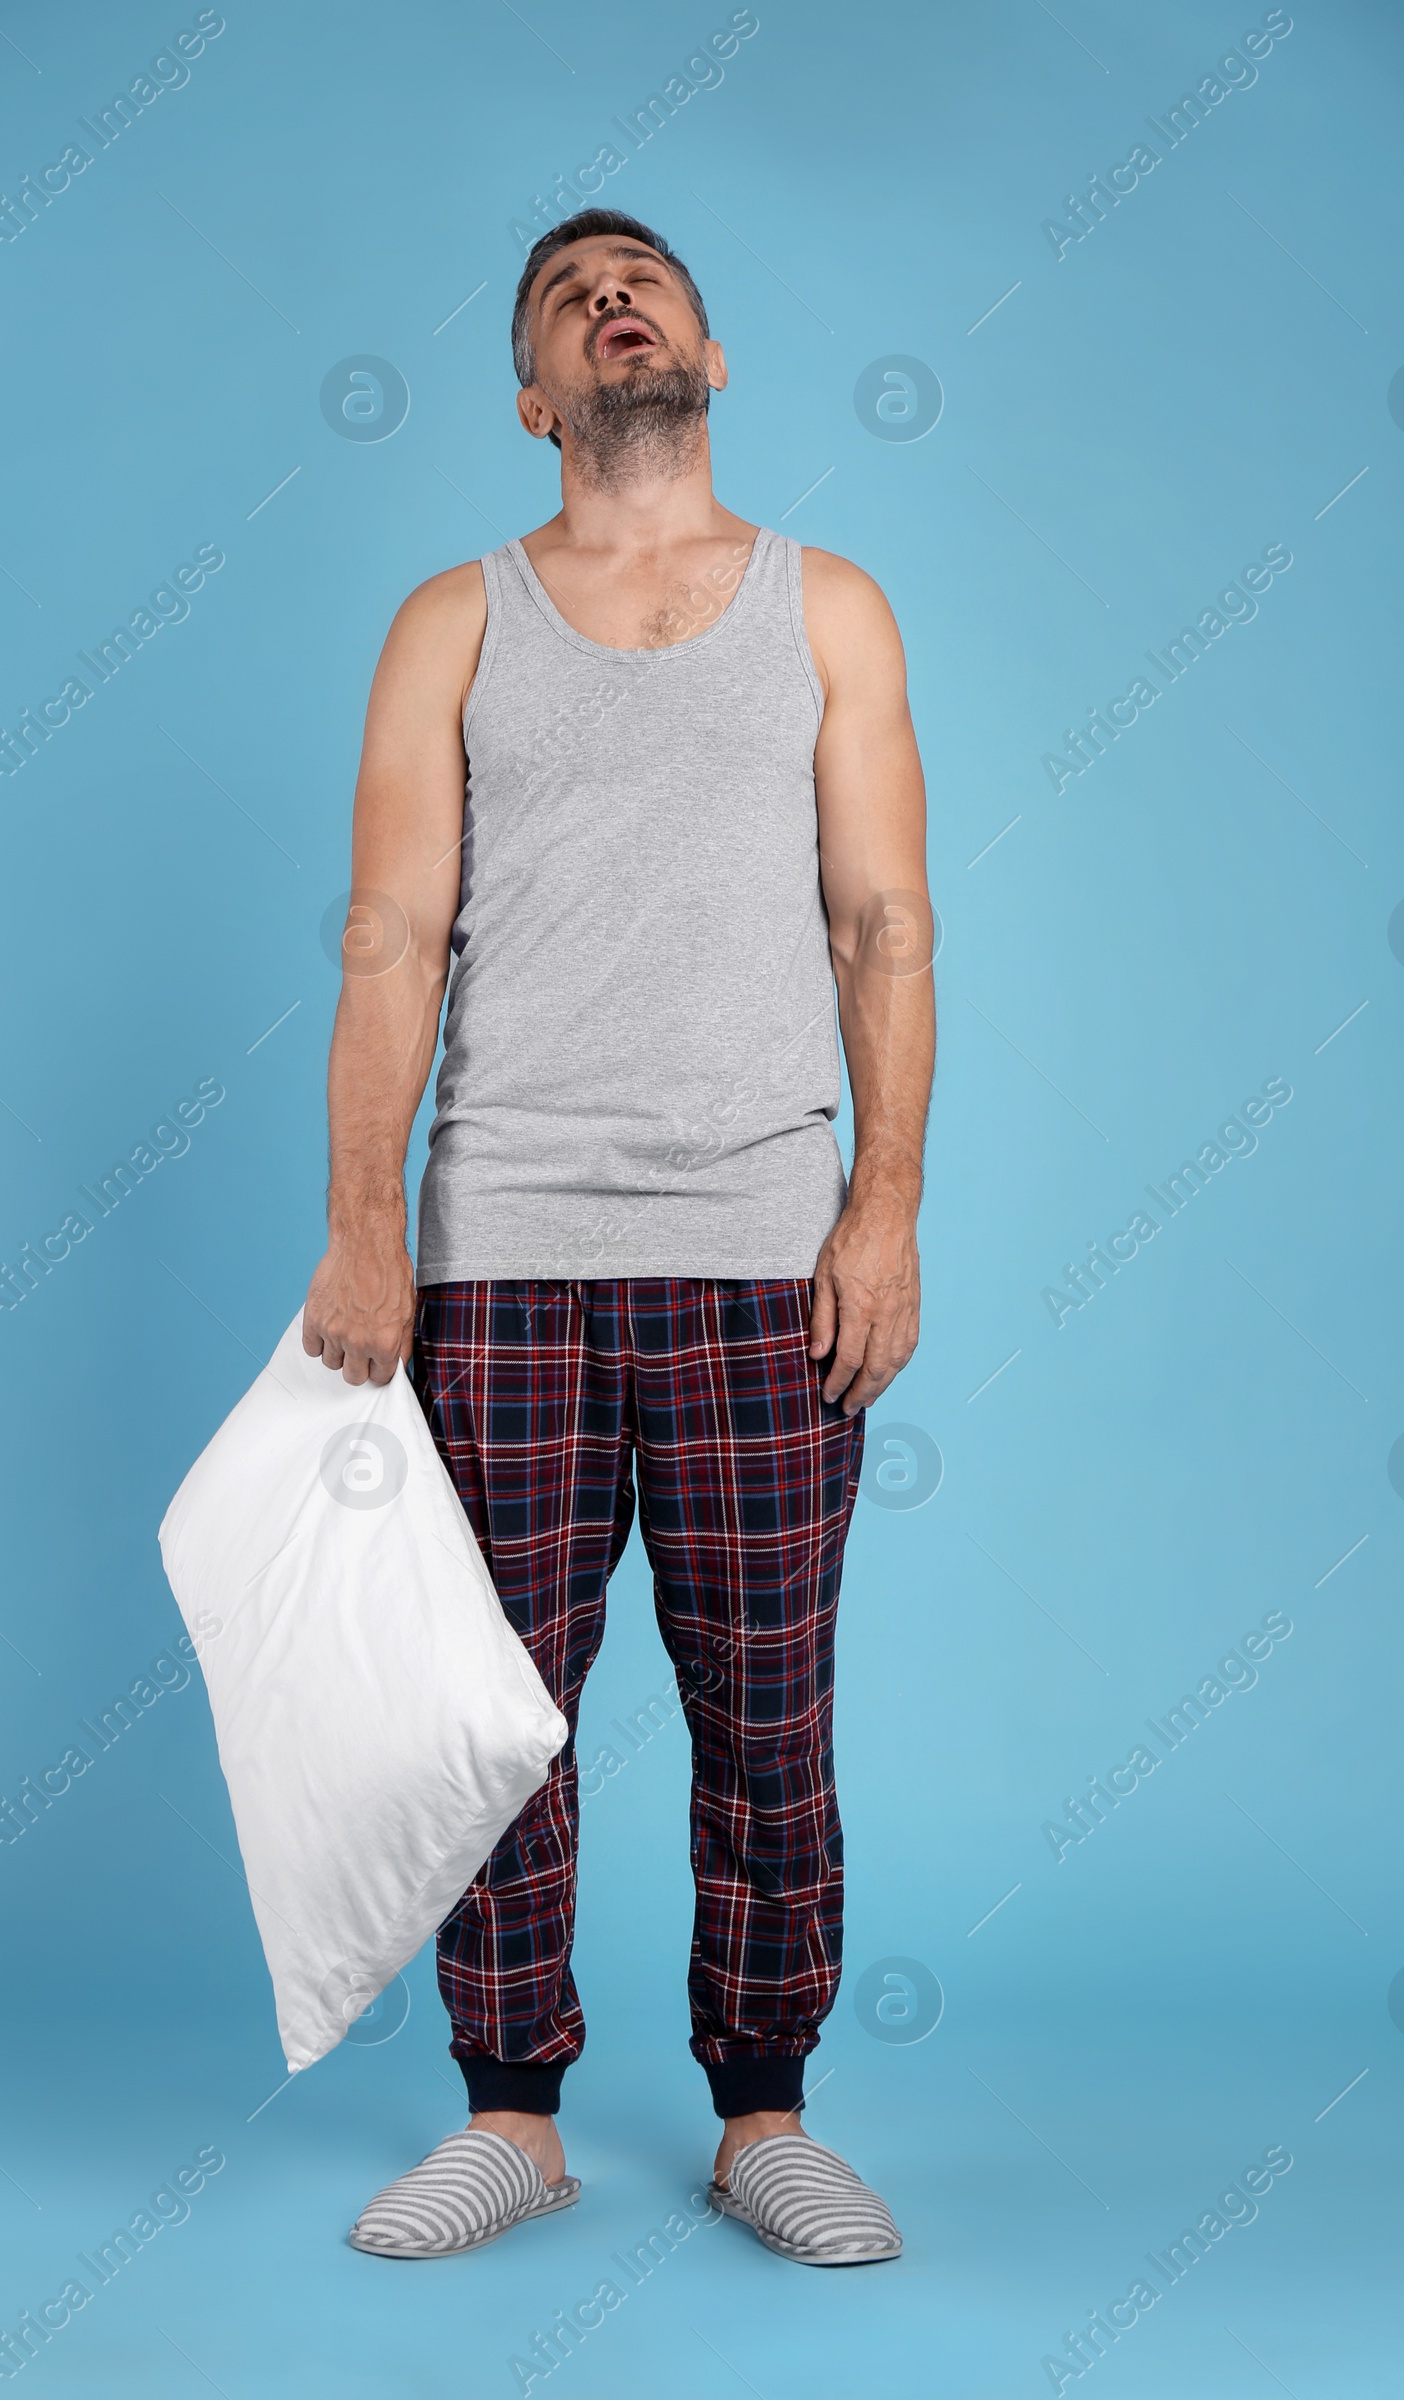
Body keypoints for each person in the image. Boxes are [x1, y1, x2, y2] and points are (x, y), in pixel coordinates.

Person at [302, 207, 934, 2266]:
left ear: (708, 354)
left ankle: (763, 2115)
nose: (608, 294)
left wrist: (886, 1206)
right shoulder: (451, 622)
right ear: (529, 395)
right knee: (495, 1712)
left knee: (769, 1702)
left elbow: (882, 921)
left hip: (763, 1241)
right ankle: (511, 2116)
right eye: (564, 295)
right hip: (499, 1249)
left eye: (640, 276)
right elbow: (390, 934)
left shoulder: (825, 608)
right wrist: (360, 1231)